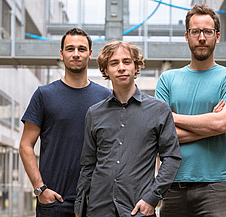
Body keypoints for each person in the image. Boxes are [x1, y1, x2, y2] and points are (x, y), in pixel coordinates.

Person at [155, 3, 226, 217]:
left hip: (219, 186)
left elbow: (222, 123)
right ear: (187, 36)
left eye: (208, 32)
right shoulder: (167, 79)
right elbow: (161, 136)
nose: (201, 37)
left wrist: (173, 117)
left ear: (217, 36)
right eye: (195, 32)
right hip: (174, 185)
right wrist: (210, 126)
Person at [74, 41, 182, 217]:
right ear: (106, 70)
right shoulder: (94, 113)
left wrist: (152, 198)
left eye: (127, 61)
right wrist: (79, 207)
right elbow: (88, 165)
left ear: (136, 67)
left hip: (138, 209)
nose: (121, 68)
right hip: (98, 209)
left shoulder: (159, 109)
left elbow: (171, 158)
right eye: (114, 63)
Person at [19, 28, 111, 217]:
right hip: (54, 201)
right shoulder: (44, 95)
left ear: (90, 54)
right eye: (70, 49)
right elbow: (26, 145)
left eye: (81, 49)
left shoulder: (105, 97)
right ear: (61, 54)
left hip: (94, 202)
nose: (76, 54)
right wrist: (40, 189)